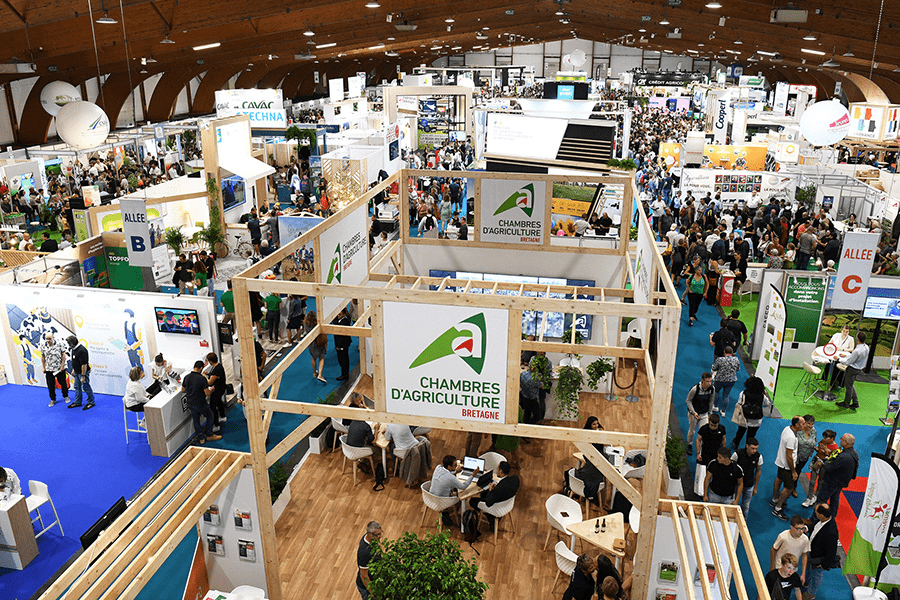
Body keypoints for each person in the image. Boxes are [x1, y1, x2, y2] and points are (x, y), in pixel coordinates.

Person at [815, 433, 858, 517]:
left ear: (846, 442)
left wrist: (827, 459)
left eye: (842, 439)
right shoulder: (854, 453)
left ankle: (815, 518)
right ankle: (832, 517)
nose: (840, 440)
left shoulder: (843, 456)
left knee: (821, 499)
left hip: (832, 482)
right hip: (841, 482)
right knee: (834, 500)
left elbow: (828, 467)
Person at [772, 416, 806, 521]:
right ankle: (777, 508)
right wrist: (793, 471)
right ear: (797, 425)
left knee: (779, 478)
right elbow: (789, 456)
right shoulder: (791, 438)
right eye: (802, 424)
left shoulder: (787, 428)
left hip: (780, 462)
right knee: (789, 488)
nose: (804, 426)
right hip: (787, 466)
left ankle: (774, 499)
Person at [804, 503, 839, 600]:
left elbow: (831, 552)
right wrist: (806, 528)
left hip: (818, 558)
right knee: (807, 567)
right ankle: (806, 581)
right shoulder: (823, 520)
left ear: (822, 515)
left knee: (816, 576)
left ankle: (811, 593)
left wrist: (824, 565)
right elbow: (815, 527)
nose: (814, 513)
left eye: (816, 512)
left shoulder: (831, 532)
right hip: (811, 551)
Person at [181, 360, 221, 444]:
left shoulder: (187, 377)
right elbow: (207, 393)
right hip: (201, 403)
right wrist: (212, 390)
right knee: (210, 415)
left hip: (190, 403)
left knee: (196, 420)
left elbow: (183, 390)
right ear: (201, 368)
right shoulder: (202, 378)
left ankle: (201, 438)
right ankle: (209, 434)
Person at [801, 430, 838, 508]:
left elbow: (831, 459)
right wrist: (817, 448)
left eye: (827, 438)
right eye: (824, 437)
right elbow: (818, 448)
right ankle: (809, 497)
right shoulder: (823, 441)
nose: (825, 439)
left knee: (821, 482)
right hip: (817, 461)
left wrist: (826, 450)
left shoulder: (835, 448)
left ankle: (816, 497)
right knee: (812, 481)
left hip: (825, 465)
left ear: (832, 438)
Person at [731, 376, 769, 449]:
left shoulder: (743, 393)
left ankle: (736, 443)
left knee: (740, 432)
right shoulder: (762, 396)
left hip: (744, 418)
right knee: (751, 435)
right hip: (756, 420)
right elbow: (766, 404)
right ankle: (747, 447)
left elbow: (739, 403)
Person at [770, 516, 810, 584]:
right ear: (792, 527)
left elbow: (804, 555)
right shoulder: (783, 536)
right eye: (798, 529)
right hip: (779, 567)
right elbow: (773, 550)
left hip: (792, 570)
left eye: (802, 528)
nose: (801, 531)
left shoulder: (805, 539)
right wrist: (772, 566)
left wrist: (803, 573)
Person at [836, 332, 869, 410]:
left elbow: (848, 362)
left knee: (848, 386)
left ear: (857, 338)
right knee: (851, 384)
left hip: (852, 369)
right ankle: (855, 403)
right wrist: (847, 355)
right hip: (859, 369)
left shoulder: (857, 351)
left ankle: (846, 404)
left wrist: (838, 359)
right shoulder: (866, 347)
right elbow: (854, 356)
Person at [685, 372, 715, 456]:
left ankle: (701, 448)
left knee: (704, 432)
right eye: (707, 381)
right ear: (702, 381)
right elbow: (688, 401)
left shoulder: (712, 389)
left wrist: (709, 414)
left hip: (704, 414)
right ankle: (689, 444)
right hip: (694, 413)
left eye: (710, 381)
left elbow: (711, 402)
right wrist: (693, 412)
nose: (709, 383)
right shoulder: (695, 389)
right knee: (692, 430)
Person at [733, 438, 763, 517]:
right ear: (747, 446)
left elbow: (758, 471)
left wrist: (755, 487)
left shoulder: (758, 457)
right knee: (733, 503)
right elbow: (731, 467)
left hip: (749, 485)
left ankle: (744, 523)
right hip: (736, 484)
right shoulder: (737, 454)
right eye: (752, 448)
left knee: (746, 506)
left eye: (756, 449)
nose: (754, 451)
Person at [39, 332, 69, 407]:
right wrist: (43, 367)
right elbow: (42, 357)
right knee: (50, 385)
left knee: (63, 384)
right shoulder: (43, 346)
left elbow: (63, 355)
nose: (48, 341)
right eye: (47, 339)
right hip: (49, 369)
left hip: (59, 369)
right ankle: (53, 399)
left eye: (50, 339)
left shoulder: (59, 344)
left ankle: (66, 396)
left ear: (53, 338)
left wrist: (62, 366)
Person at [66, 335, 95, 410]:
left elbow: (84, 365)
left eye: (69, 343)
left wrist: (83, 376)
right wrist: (73, 370)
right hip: (77, 372)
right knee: (77, 387)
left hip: (83, 372)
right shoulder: (73, 349)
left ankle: (91, 402)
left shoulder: (82, 350)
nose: (68, 344)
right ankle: (77, 402)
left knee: (86, 387)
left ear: (72, 343)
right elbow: (74, 361)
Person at [356, 520, 382, 600]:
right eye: (378, 535)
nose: (380, 536)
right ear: (370, 534)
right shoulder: (364, 553)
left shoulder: (369, 539)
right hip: (367, 587)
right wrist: (373, 594)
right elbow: (364, 576)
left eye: (381, 533)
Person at [711, 346, 740, 416]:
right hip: (731, 381)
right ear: (732, 352)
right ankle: (723, 411)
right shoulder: (736, 360)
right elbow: (738, 369)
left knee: (717, 392)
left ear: (724, 352)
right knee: (726, 395)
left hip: (720, 380)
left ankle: (715, 406)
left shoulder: (720, 359)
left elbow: (714, 368)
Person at [205, 353, 228, 432]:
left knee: (213, 406)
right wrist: (208, 374)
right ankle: (222, 416)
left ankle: (216, 424)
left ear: (211, 361)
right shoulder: (218, 366)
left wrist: (205, 377)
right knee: (219, 402)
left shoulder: (216, 370)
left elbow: (210, 382)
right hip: (220, 388)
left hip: (218, 390)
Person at [304, 311, 327, 383]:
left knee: (313, 358)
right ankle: (320, 374)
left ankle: (314, 373)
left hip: (311, 343)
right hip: (319, 341)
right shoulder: (317, 323)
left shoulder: (305, 323)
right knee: (321, 357)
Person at [333, 308, 352, 381]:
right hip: (338, 344)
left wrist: (340, 346)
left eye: (340, 314)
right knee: (341, 360)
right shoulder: (338, 320)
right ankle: (344, 373)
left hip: (343, 345)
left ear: (344, 314)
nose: (338, 316)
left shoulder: (345, 322)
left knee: (344, 360)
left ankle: (345, 374)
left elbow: (342, 336)